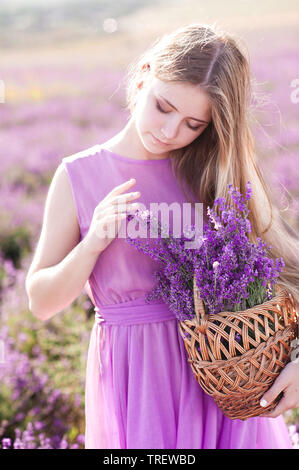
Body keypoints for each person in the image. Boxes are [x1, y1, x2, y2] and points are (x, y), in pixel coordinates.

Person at [25, 23, 299, 449]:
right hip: (136, 387)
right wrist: (93, 242)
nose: (171, 132)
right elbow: (41, 302)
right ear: (143, 76)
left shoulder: (214, 172)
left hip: (222, 387)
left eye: (194, 123)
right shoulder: (79, 175)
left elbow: (289, 270)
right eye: (163, 107)